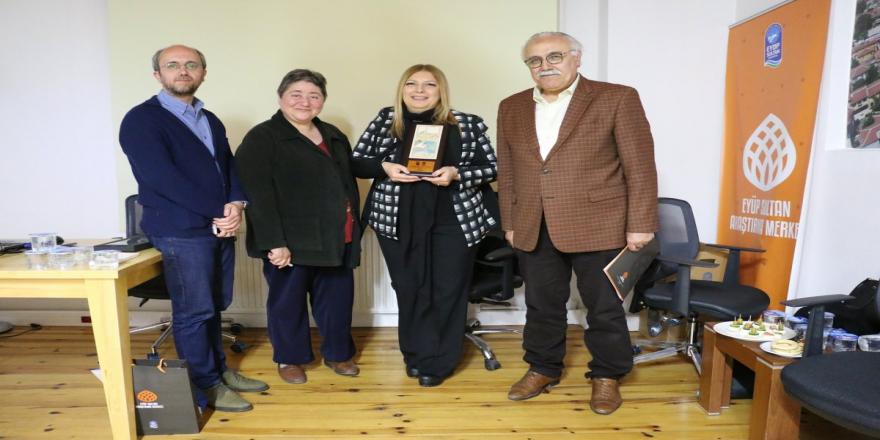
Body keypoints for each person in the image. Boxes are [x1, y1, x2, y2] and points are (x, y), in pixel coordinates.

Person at [496, 32, 658, 415]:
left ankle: (607, 375)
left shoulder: (616, 97)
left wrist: (640, 223)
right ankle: (542, 367)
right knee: (540, 304)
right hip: (533, 222)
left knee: (603, 307)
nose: (545, 66)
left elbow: (639, 166)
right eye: (535, 60)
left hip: (600, 223)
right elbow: (509, 170)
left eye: (554, 56)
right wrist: (510, 222)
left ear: (577, 58)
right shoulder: (511, 106)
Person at [119, 44, 268, 412]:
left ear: (203, 72)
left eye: (191, 64)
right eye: (172, 65)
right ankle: (205, 386)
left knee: (214, 306)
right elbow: (162, 178)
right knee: (194, 311)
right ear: (158, 75)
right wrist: (220, 211)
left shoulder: (209, 119)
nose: (182, 70)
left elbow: (228, 166)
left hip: (217, 226)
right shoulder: (141, 120)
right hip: (180, 230)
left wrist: (236, 204)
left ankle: (219, 372)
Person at [351, 64, 498, 387]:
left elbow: (492, 167)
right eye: (412, 84)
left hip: (454, 221)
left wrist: (457, 174)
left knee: (448, 289)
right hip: (398, 221)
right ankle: (416, 357)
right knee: (410, 288)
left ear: (441, 90)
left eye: (429, 84)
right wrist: (385, 167)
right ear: (402, 89)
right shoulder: (386, 120)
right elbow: (357, 162)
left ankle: (441, 361)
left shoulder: (468, 124)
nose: (419, 90)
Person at [235, 69, 361, 384]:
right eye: (296, 94)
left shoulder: (333, 134)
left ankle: (338, 353)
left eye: (314, 95)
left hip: (336, 236)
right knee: (287, 304)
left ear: (323, 101)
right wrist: (274, 242)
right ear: (281, 98)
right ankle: (290, 358)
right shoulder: (263, 137)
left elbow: (347, 182)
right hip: (290, 241)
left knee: (336, 301)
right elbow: (258, 195)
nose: (305, 102)